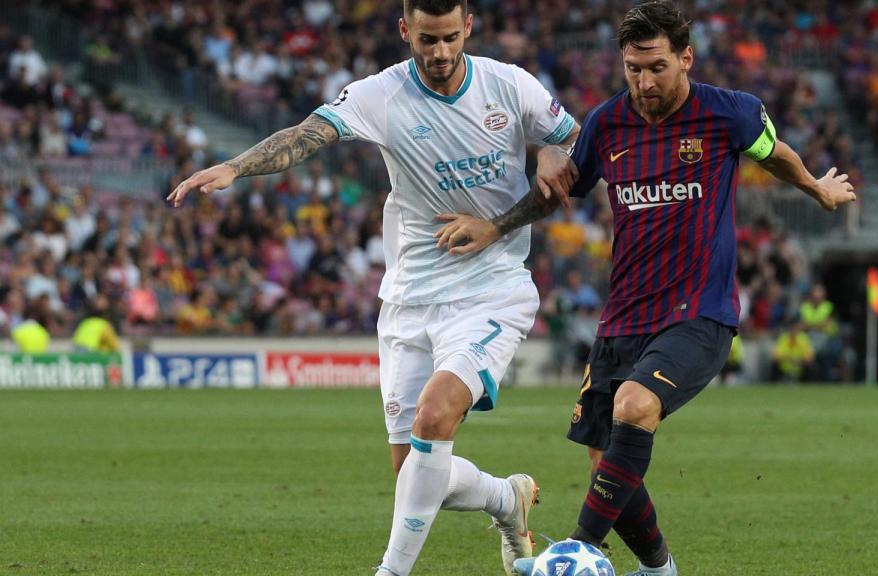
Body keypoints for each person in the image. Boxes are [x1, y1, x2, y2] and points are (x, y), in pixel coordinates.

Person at [433, 2, 856, 574]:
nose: (643, 81)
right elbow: (562, 188)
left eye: (656, 67)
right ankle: (660, 569)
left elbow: (774, 154)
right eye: (633, 68)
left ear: (685, 58)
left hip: (699, 312)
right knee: (605, 460)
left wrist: (817, 189)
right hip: (623, 316)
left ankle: (577, 549)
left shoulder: (727, 114)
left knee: (635, 408)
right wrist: (497, 222)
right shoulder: (609, 123)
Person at [165, 1, 580, 574]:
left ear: (468, 29)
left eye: (449, 39)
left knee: (434, 418)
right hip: (410, 294)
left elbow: (572, 146)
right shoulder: (380, 95)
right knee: (414, 468)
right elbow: (312, 133)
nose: (439, 53)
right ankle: (505, 499)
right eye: (426, 40)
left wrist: (544, 164)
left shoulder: (509, 87)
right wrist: (236, 168)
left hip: (492, 288)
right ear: (405, 31)